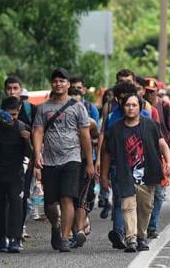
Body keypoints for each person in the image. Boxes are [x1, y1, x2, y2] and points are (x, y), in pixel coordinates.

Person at [32, 68, 93, 252]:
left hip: (72, 159)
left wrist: (89, 162)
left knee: (67, 197)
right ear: (52, 84)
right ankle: (55, 226)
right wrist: (37, 154)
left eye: (62, 81)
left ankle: (65, 238)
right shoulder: (43, 108)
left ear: (68, 84)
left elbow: (85, 136)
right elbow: (38, 131)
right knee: (50, 203)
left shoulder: (78, 107)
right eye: (55, 81)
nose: (58, 84)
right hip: (49, 160)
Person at [101, 93, 170, 252]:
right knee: (128, 206)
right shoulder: (116, 128)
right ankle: (131, 239)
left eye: (134, 105)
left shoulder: (150, 125)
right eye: (127, 105)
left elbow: (162, 144)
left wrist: (169, 162)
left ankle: (141, 237)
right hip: (124, 174)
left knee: (146, 207)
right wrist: (104, 176)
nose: (131, 108)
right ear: (122, 107)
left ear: (140, 107)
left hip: (148, 174)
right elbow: (106, 152)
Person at [0, 97, 31, 253]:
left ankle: (15, 238)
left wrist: (27, 141)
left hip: (16, 173)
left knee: (16, 205)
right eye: (8, 114)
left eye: (14, 114)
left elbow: (30, 154)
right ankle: (1, 239)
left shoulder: (22, 127)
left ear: (18, 111)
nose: (11, 118)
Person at [144, 78, 170, 239]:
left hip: (161, 153)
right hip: (142, 153)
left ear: (157, 91)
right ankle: (140, 227)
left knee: (159, 193)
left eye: (153, 91)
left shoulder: (164, 106)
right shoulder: (139, 106)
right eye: (147, 91)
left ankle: (152, 226)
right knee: (143, 192)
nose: (150, 94)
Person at [67, 88, 99, 248]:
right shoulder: (61, 119)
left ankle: (78, 231)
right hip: (65, 163)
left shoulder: (90, 122)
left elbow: (98, 138)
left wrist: (93, 162)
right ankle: (73, 231)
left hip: (84, 163)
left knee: (82, 198)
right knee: (68, 199)